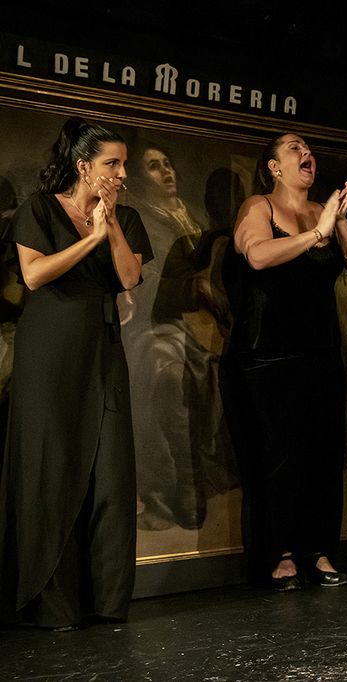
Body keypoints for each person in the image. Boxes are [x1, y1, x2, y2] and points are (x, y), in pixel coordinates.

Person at [0, 117, 152, 629]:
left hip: (102, 349)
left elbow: (129, 277)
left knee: (111, 473)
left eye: (124, 163)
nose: (121, 173)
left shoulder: (124, 218)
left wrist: (106, 226)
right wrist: (88, 239)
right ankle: (51, 605)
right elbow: (35, 274)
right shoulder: (40, 209)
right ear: (83, 165)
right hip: (49, 350)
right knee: (53, 468)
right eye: (112, 163)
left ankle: (106, 601)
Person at [221, 133, 347, 591]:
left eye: (308, 148)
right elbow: (258, 255)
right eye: (292, 148)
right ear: (273, 167)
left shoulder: (321, 213)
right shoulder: (259, 205)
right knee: (277, 459)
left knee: (323, 454)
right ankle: (279, 554)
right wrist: (316, 233)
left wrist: (337, 220)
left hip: (319, 355)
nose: (306, 153)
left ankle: (318, 550)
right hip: (265, 356)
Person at [122, 143, 233, 531]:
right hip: (153, 324)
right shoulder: (139, 221)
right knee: (170, 374)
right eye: (153, 167)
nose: (166, 171)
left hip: (199, 324)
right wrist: (193, 289)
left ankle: (203, 474)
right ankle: (180, 488)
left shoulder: (193, 217)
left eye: (168, 163)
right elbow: (142, 284)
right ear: (138, 179)